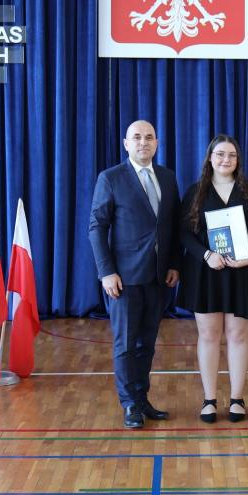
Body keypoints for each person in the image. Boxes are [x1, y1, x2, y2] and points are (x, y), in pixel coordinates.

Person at [88, 120, 181, 429]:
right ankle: (129, 403)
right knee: (126, 344)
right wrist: (106, 272)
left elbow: (173, 226)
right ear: (126, 144)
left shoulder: (167, 177)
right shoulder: (111, 178)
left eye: (149, 137)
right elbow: (97, 228)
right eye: (137, 137)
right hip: (123, 280)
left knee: (147, 345)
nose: (143, 142)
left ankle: (141, 399)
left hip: (158, 277)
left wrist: (174, 264)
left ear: (157, 143)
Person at [179, 135, 248, 423]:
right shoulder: (195, 192)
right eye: (220, 154)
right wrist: (206, 255)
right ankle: (209, 399)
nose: (225, 160)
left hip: (242, 273)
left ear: (238, 160)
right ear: (210, 157)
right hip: (206, 272)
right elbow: (184, 233)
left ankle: (236, 399)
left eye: (231, 155)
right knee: (208, 335)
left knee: (238, 335)